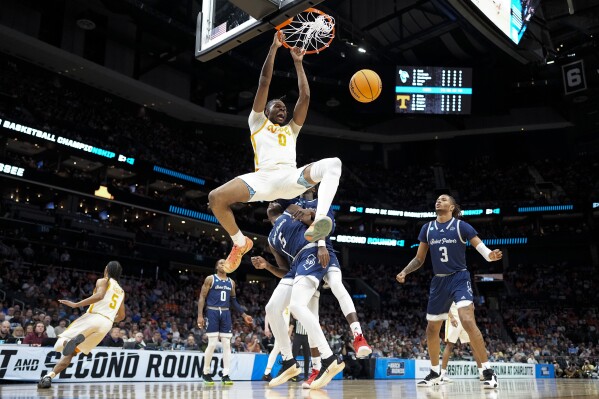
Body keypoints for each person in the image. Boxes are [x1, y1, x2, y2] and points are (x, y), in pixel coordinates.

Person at [208, 32, 343, 274]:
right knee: (215, 198)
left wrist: (298, 63)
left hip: (291, 179)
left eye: (284, 107)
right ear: (265, 110)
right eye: (277, 106)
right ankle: (240, 242)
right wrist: (273, 48)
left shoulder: (291, 130)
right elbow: (264, 82)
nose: (282, 109)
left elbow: (306, 97)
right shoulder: (257, 121)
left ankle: (320, 220)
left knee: (334, 163)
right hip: (263, 180)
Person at [396, 194, 501, 389]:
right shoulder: (427, 229)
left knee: (467, 319)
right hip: (439, 282)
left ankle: (488, 371)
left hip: (459, 278)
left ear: (452, 207)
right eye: (437, 199)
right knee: (431, 329)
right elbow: (419, 259)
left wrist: (490, 256)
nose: (439, 201)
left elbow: (481, 247)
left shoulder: (461, 226)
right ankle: (435, 373)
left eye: (444, 199)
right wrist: (404, 271)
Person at [251, 202, 348, 390]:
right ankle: (289, 361)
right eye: (269, 202)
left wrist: (321, 244)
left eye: (274, 200)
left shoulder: (290, 209)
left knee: (296, 307)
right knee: (272, 308)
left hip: (310, 254)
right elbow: (284, 270)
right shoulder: (271, 239)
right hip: (295, 268)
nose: (271, 202)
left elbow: (316, 218)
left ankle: (328, 358)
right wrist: (267, 266)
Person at [38, 261, 126, 389]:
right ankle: (48, 377)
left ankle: (66, 343)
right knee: (72, 353)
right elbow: (122, 316)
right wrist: (109, 319)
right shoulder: (122, 292)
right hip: (107, 324)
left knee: (58, 346)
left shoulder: (104, 280)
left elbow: (99, 296)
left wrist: (76, 305)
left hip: (94, 316)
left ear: (107, 269)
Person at [197, 259, 253, 386]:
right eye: (221, 263)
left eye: (226, 263)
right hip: (212, 312)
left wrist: (244, 314)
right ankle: (206, 373)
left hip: (226, 313)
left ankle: (226, 374)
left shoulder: (231, 282)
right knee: (212, 344)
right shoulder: (210, 279)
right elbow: (202, 297)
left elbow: (233, 301)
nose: (224, 264)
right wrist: (200, 315)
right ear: (216, 266)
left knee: (227, 344)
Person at [440, 302, 484, 383]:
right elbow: (445, 303)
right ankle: (442, 375)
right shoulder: (449, 289)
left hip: (465, 320)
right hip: (454, 318)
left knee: (473, 346)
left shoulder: (467, 291)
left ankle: (481, 373)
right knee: (449, 346)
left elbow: (471, 308)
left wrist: (472, 322)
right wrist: (451, 317)